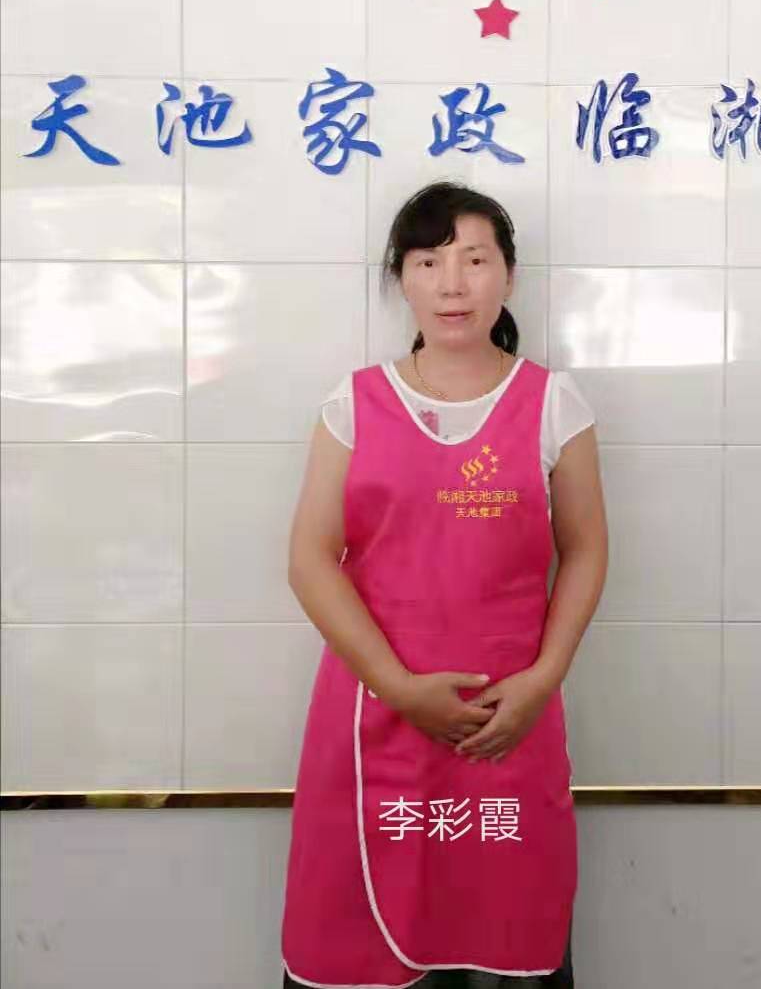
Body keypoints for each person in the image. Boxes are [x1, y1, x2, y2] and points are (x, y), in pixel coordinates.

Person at [280, 180, 609, 988]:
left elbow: (587, 551)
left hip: (508, 717)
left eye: (474, 260)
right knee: (357, 928)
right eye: (428, 261)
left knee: (509, 924)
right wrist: (399, 688)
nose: (452, 283)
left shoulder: (553, 404)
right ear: (402, 277)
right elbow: (310, 558)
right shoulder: (354, 404)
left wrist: (542, 681)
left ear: (509, 276)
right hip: (374, 715)